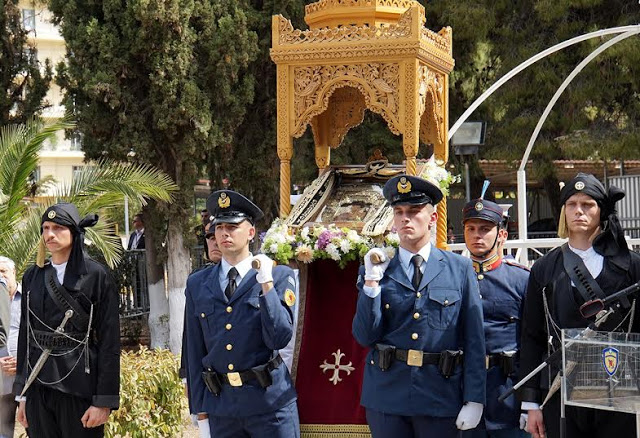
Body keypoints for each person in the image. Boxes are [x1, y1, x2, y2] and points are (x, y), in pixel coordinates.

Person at [352, 174, 486, 437]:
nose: (405, 219)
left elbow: (474, 340)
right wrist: (370, 284)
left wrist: (474, 398)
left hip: (439, 393)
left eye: (414, 211)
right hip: (387, 395)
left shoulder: (458, 268)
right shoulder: (379, 269)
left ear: (432, 218)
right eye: (399, 212)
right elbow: (365, 335)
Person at [519, 173, 640, 438]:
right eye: (572, 204)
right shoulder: (544, 268)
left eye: (588, 205)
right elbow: (531, 336)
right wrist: (530, 403)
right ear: (563, 211)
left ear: (601, 211)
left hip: (618, 388)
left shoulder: (632, 266)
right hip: (560, 390)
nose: (579, 211)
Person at [185, 190, 299, 438]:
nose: (224, 233)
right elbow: (194, 351)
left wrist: (266, 284)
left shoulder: (279, 276)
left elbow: (279, 337)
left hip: (269, 405)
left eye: (233, 227)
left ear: (250, 233)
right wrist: (200, 412)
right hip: (222, 408)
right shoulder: (197, 284)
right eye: (219, 227)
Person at [14, 203, 120, 438]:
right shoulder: (33, 276)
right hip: (38, 387)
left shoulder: (95, 275)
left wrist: (103, 401)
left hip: (79, 388)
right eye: (45, 228)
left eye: (58, 228)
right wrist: (22, 394)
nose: (49, 234)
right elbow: (26, 335)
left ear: (74, 231)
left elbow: (109, 342)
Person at [461, 198, 530, 438]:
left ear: (501, 234)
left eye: (484, 229)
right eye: (471, 229)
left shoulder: (521, 280)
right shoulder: (452, 278)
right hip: (463, 394)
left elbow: (533, 340)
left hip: (508, 395)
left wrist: (531, 402)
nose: (477, 235)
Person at [180, 219, 222, 438]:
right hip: (212, 384)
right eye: (210, 237)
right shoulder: (198, 281)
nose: (215, 242)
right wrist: (187, 376)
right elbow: (191, 336)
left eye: (219, 234)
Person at [0, 257, 21, 438]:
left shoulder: (31, 296)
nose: (0, 277)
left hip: (28, 380)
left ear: (13, 273)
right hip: (2, 383)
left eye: (3, 272)